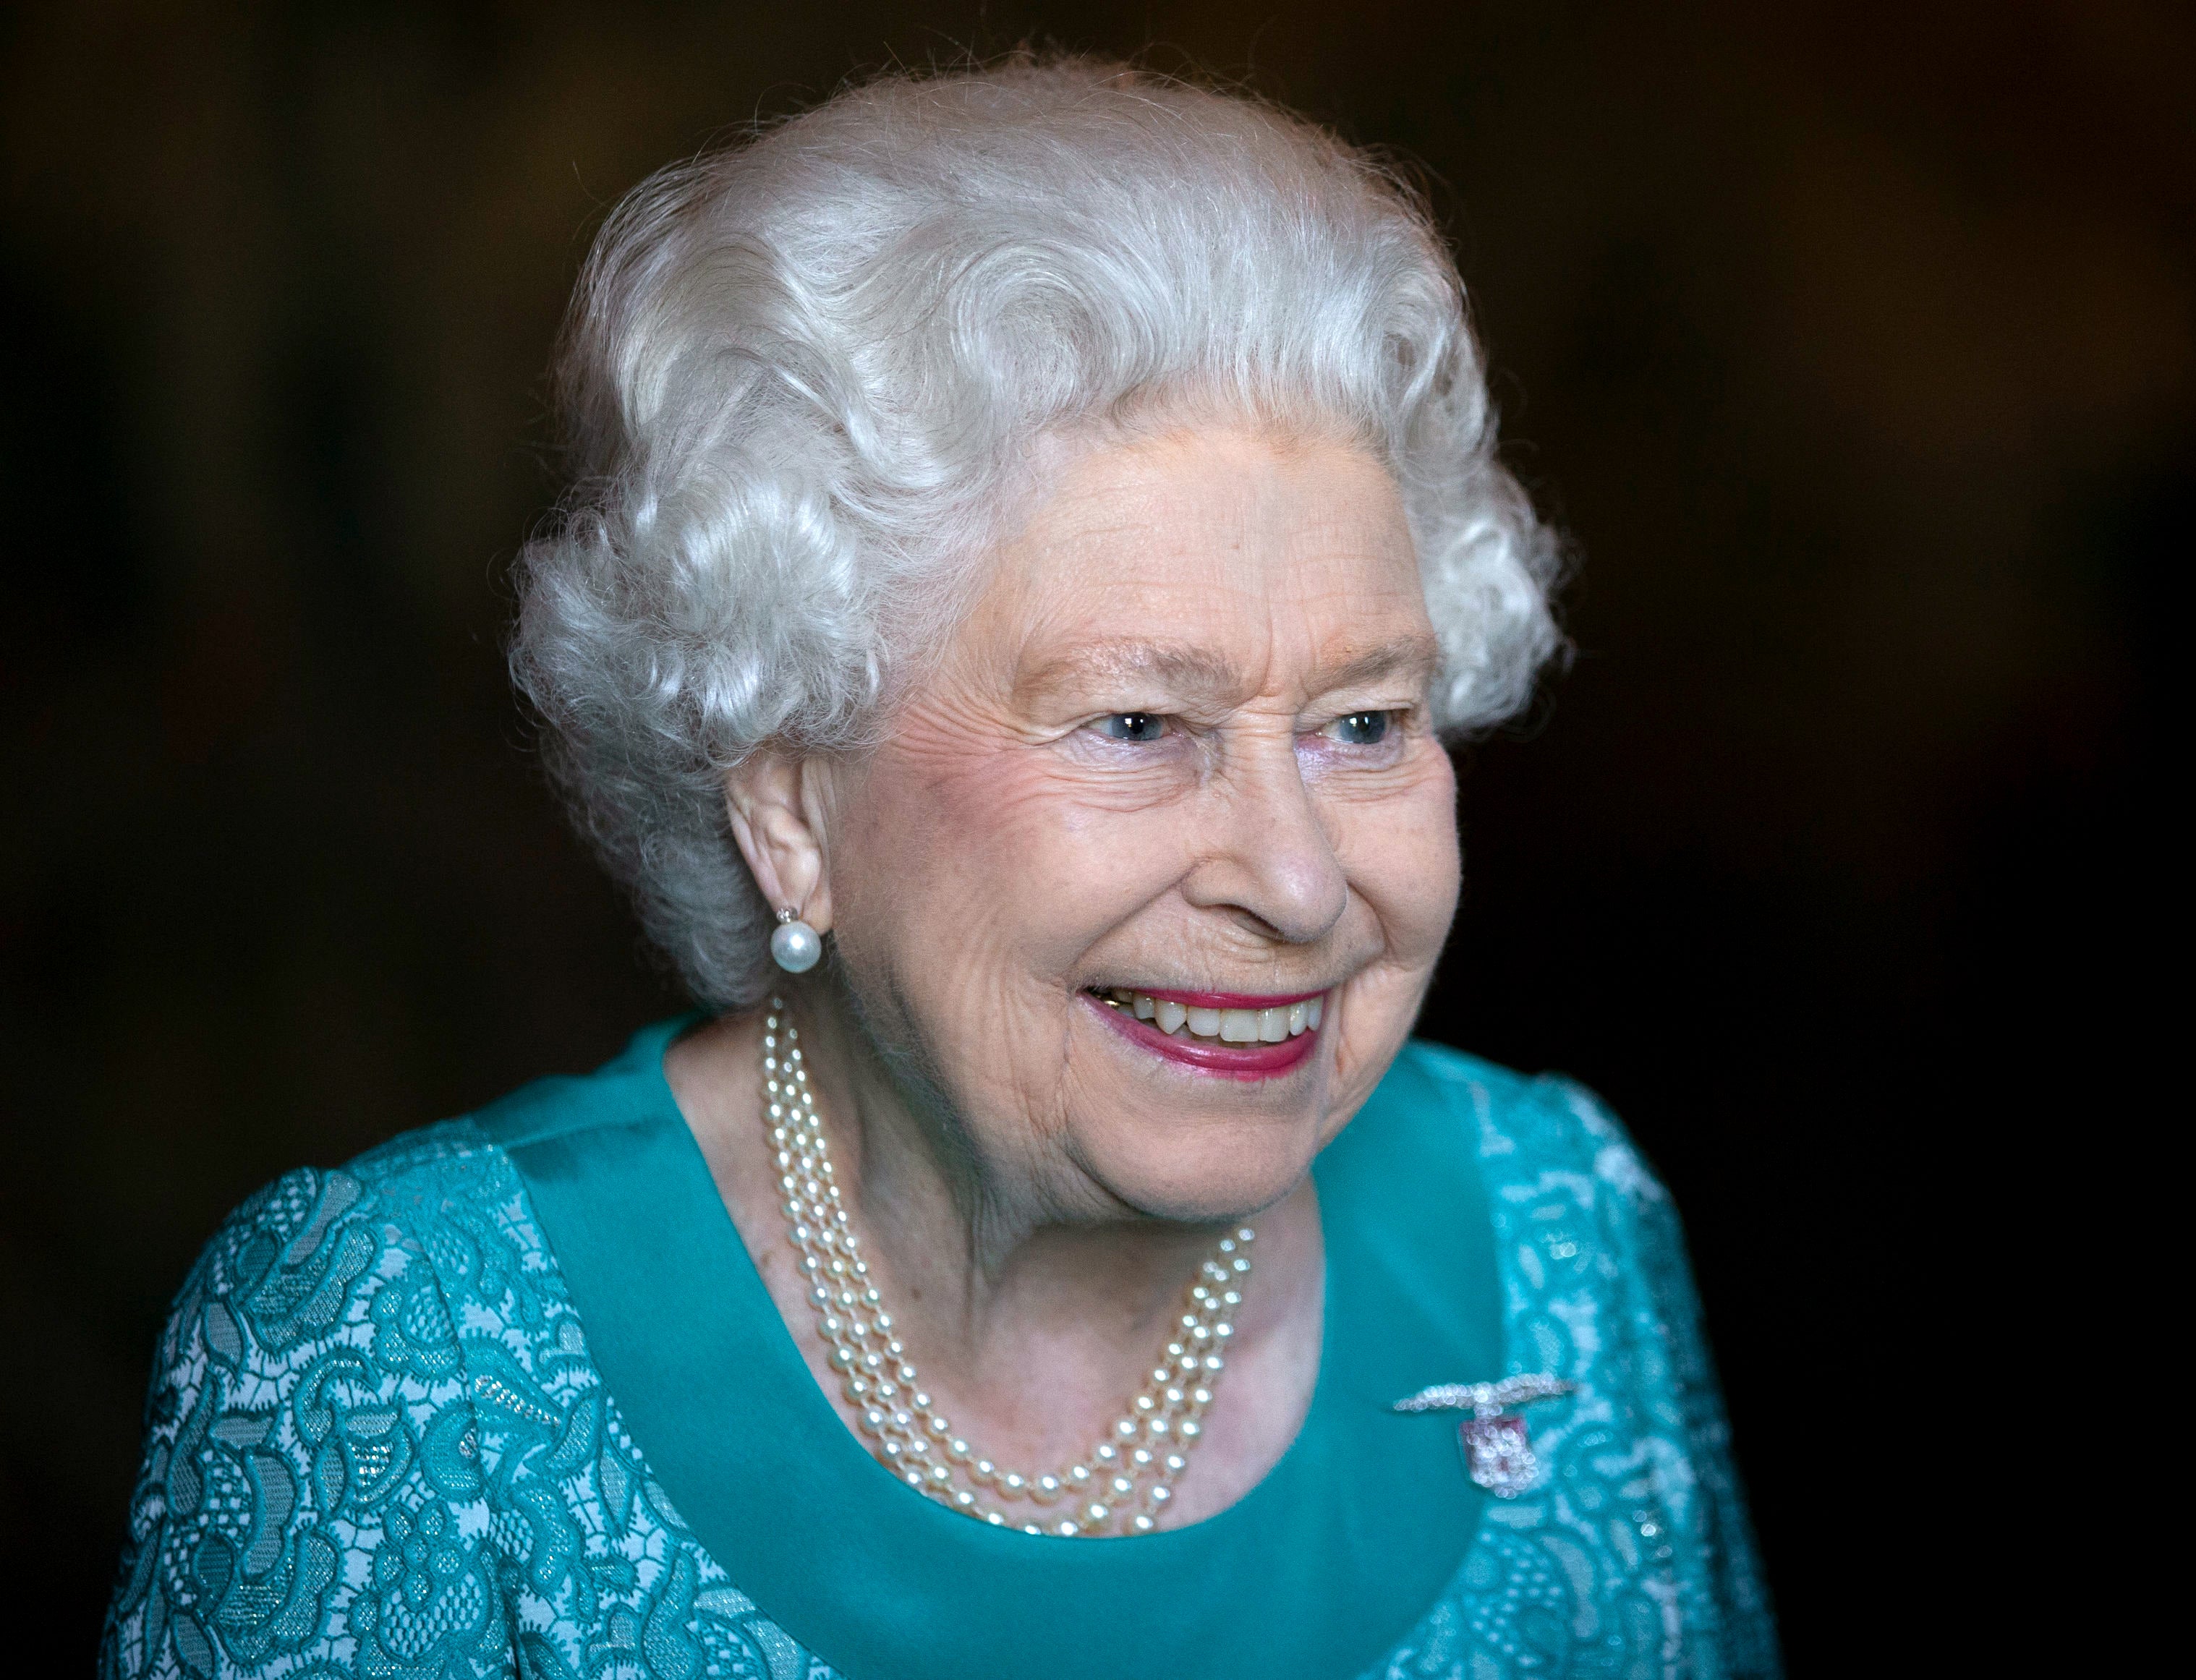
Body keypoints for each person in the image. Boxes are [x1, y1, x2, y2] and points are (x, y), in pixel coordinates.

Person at [100, 57, 1778, 1680]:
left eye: (1362, 723)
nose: (1299, 880)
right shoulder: (403, 1352)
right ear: (791, 808)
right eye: (1135, 722)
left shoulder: (1553, 1222)